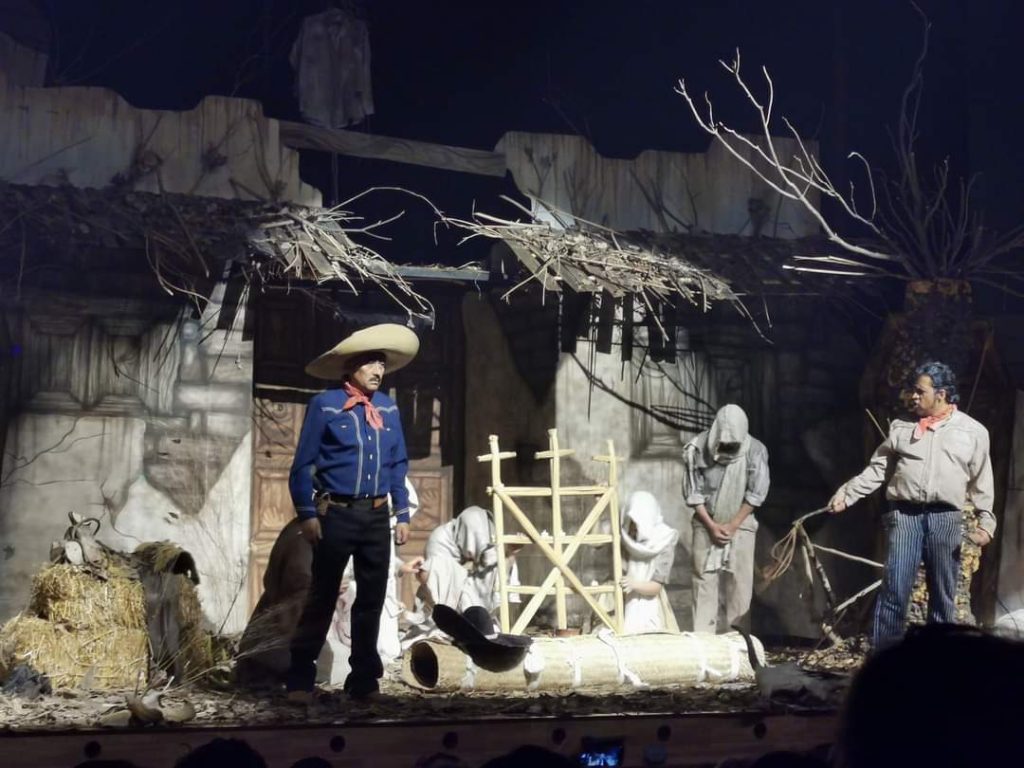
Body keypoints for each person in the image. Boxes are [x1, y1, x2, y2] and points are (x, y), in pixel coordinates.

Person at [285, 323, 419, 701]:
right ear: (350, 367)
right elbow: (302, 465)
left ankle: (363, 680)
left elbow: (397, 464)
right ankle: (300, 677)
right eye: (370, 363)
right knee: (322, 595)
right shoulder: (325, 405)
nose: (378, 370)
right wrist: (307, 514)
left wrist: (402, 513)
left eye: (382, 363)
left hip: (376, 517)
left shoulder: (388, 408)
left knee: (371, 600)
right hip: (337, 515)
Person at [827, 360, 995, 650]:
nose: (913, 397)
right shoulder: (902, 428)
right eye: (912, 391)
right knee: (894, 589)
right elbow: (878, 469)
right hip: (905, 516)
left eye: (920, 391)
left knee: (943, 594)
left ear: (941, 394)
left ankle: (937, 660)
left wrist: (986, 522)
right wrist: (848, 494)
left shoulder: (972, 432)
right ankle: (885, 659)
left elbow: (983, 481)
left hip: (946, 517)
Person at [683, 404, 770, 634]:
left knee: (739, 587)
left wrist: (733, 525)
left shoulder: (755, 450)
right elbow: (693, 492)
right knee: (704, 583)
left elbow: (756, 494)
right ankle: (703, 644)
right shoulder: (697, 448)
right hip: (706, 521)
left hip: (740, 522)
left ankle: (738, 645)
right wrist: (712, 526)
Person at [619, 491, 679, 633]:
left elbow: (656, 587)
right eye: (631, 522)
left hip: (650, 600)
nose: (633, 528)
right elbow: (597, 543)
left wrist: (634, 584)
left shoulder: (663, 540)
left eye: (636, 523)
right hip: (624, 598)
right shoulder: (627, 538)